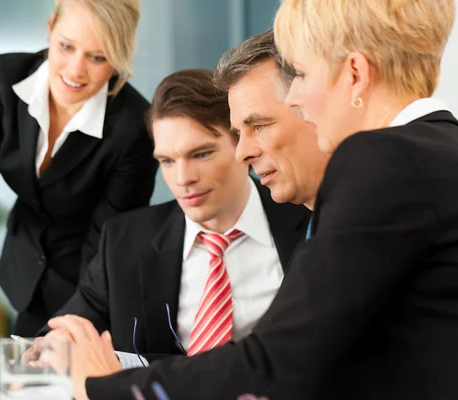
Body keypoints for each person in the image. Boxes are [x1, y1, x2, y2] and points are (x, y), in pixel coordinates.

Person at [50, 2, 458, 395]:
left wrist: (104, 387)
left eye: (303, 74)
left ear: (354, 73)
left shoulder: (382, 158)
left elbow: (276, 363)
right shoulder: (439, 146)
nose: (296, 97)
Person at [44, 30, 332, 399]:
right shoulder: (124, 241)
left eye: (201, 154)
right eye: (167, 161)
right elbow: (63, 336)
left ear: (239, 144)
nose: (183, 179)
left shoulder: (308, 218)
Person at [0, 0, 158, 337]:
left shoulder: (133, 128)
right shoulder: (5, 79)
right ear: (50, 29)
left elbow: (109, 240)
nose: (75, 70)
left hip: (90, 290)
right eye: (66, 46)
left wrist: (67, 328)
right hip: (24, 276)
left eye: (98, 56)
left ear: (119, 57)